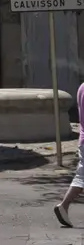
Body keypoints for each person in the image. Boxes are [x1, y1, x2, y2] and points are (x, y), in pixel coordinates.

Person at [55, 81, 84, 227]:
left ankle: (64, 206)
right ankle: (64, 206)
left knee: (82, 175)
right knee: (82, 176)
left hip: (83, 139)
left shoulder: (81, 87)